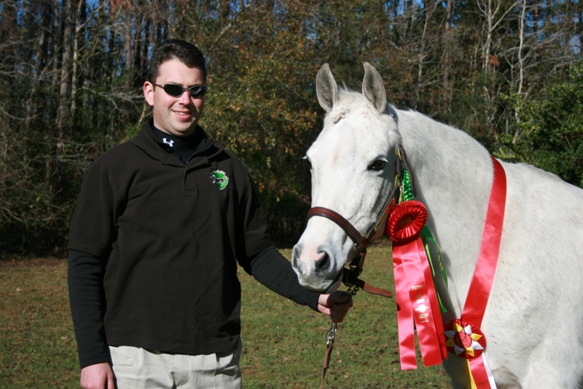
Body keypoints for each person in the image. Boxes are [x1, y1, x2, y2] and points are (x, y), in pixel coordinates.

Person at [67, 38, 353, 389]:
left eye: (195, 90)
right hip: (134, 361)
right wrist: (93, 357)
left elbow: (257, 253)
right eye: (173, 88)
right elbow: (85, 263)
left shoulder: (229, 169)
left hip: (215, 363)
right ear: (149, 91)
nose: (184, 100)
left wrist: (314, 295)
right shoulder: (115, 168)